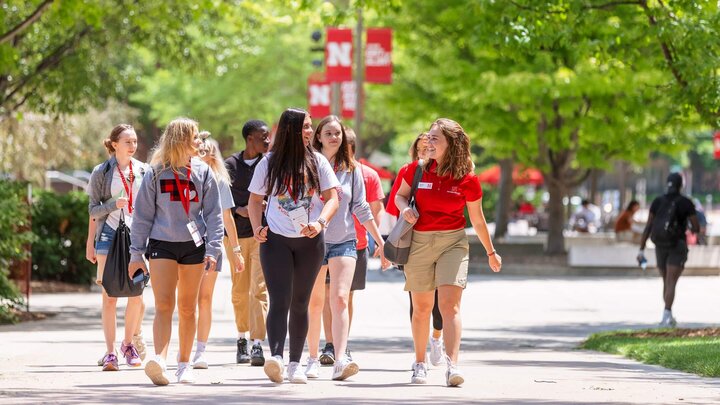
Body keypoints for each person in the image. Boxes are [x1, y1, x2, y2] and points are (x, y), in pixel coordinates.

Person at [395, 118, 501, 387]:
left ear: (450, 144)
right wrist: (404, 208)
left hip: (453, 242)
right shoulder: (415, 170)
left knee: (450, 305)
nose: (428, 143)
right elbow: (399, 195)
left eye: (434, 139)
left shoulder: (468, 179)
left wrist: (491, 252)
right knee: (421, 307)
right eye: (428, 137)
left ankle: (452, 365)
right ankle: (419, 363)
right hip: (419, 240)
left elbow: (477, 220)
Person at [247, 108, 340, 384]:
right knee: (279, 299)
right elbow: (254, 200)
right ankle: (276, 357)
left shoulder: (318, 161)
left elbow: (332, 198)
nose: (310, 132)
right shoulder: (269, 162)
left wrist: (321, 222)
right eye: (306, 127)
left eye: (311, 127)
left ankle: (295, 363)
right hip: (275, 240)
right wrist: (256, 228)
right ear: (291, 130)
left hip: (310, 242)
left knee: (301, 302)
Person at [129, 117, 224, 385]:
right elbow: (142, 217)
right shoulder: (156, 173)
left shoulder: (203, 173)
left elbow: (215, 215)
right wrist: (136, 254)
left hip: (194, 246)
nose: (199, 142)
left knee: (187, 307)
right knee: (164, 305)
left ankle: (184, 363)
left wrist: (214, 249)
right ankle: (160, 360)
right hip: (162, 243)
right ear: (181, 139)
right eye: (195, 137)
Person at [304, 116, 389, 381]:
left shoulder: (352, 169)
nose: (333, 137)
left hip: (345, 240)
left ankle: (341, 358)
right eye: (328, 133)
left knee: (340, 298)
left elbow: (361, 206)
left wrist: (380, 240)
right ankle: (312, 357)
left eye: (337, 133)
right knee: (315, 301)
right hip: (313, 241)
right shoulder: (307, 166)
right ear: (318, 137)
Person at [87, 124, 148, 371]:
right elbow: (92, 210)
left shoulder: (144, 170)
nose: (132, 146)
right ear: (114, 144)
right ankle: (110, 352)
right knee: (109, 297)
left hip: (137, 237)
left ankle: (127, 344)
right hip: (108, 237)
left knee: (136, 296)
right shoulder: (101, 172)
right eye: (127, 142)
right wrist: (114, 204)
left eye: (135, 141)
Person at [386, 132, 446, 368]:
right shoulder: (410, 171)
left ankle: (437, 336)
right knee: (418, 298)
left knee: (442, 296)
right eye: (421, 149)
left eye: (428, 147)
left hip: (443, 240)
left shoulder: (445, 169)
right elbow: (395, 206)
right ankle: (419, 352)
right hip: (413, 241)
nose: (425, 152)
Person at [191, 135, 245, 370]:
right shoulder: (184, 175)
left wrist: (236, 250)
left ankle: (200, 350)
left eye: (207, 150)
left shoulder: (219, 180)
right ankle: (185, 347)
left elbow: (227, 219)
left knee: (204, 298)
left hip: (211, 244)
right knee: (186, 300)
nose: (203, 153)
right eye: (200, 149)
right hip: (184, 243)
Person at [225, 120, 270, 366]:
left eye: (268, 136)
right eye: (263, 137)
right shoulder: (230, 165)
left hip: (262, 235)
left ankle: (257, 344)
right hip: (235, 235)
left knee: (259, 288)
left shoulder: (269, 164)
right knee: (240, 290)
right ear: (249, 138)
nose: (267, 141)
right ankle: (241, 337)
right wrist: (239, 209)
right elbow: (222, 199)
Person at [638, 173, 699, 328]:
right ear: (681, 185)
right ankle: (667, 313)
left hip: (660, 245)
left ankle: (667, 314)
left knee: (666, 280)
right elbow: (696, 227)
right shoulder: (685, 202)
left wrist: (641, 249)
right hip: (676, 244)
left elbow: (648, 226)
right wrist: (689, 226)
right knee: (671, 281)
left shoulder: (658, 201)